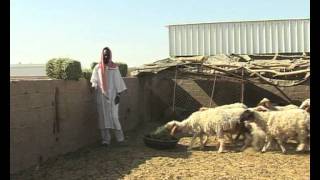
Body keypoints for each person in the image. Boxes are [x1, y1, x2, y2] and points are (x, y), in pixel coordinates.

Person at [90, 47, 127, 146]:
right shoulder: (97, 67)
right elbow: (94, 79)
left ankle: (120, 139)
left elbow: (118, 82)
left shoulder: (114, 68)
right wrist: (95, 85)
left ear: (110, 55)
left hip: (113, 96)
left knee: (114, 117)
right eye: (104, 54)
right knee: (103, 118)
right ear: (102, 55)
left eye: (107, 54)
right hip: (101, 96)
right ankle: (106, 140)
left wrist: (118, 95)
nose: (106, 56)